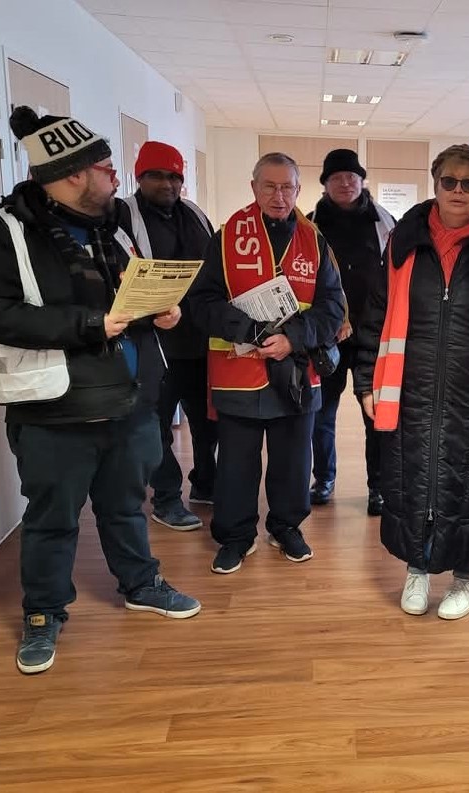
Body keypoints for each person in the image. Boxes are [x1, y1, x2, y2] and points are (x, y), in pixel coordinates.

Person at [0, 107, 201, 676]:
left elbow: (130, 292)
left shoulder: (112, 225)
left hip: (130, 401)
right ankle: (43, 613)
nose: (116, 178)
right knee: (53, 518)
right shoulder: (1, 233)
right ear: (73, 175)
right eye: (106, 169)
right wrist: (90, 325)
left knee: (126, 506)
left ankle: (140, 584)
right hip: (54, 408)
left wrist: (161, 312)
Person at [353, 144, 469, 620]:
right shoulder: (403, 240)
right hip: (411, 385)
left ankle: (465, 576)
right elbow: (376, 313)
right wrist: (366, 381)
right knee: (414, 478)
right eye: (449, 181)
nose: (458, 191)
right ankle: (417, 568)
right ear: (435, 182)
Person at [187, 152, 345, 574]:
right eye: (270, 186)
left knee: (293, 463)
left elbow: (333, 308)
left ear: (298, 189)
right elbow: (201, 302)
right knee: (235, 465)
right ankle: (235, 537)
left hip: (296, 372)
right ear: (254, 188)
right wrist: (250, 330)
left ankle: (286, 527)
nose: (279, 196)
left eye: (287, 187)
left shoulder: (315, 241)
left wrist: (292, 338)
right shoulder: (225, 237)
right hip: (238, 373)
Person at [122, 140, 217, 532]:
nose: (167, 184)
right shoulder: (122, 216)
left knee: (208, 422)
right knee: (156, 428)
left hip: (199, 342)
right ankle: (166, 499)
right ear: (139, 177)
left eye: (174, 176)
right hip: (154, 345)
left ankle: (206, 483)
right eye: (156, 176)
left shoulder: (194, 213)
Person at [307, 149, 394, 515]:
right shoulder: (309, 225)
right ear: (325, 184)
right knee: (321, 414)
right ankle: (324, 479)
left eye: (351, 176)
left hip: (373, 337)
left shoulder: (385, 222)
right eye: (337, 177)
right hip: (326, 337)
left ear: (361, 180)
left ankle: (379, 488)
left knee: (376, 416)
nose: (345, 183)